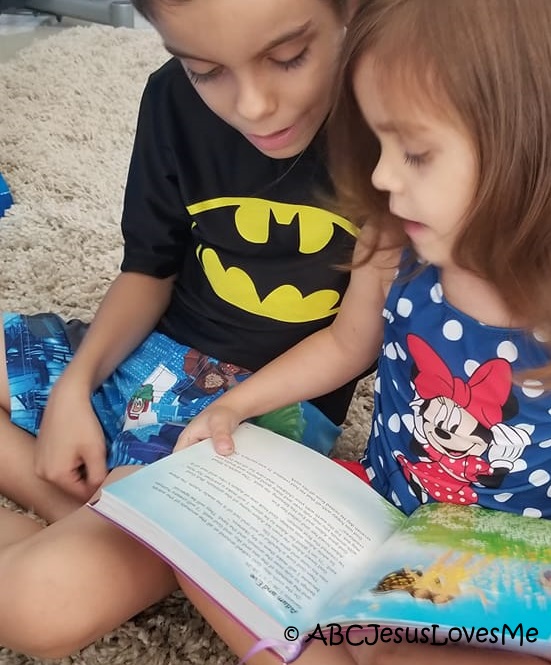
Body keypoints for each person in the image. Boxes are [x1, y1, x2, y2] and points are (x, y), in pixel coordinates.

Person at [177, 0, 551, 663]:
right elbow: (343, 345)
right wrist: (236, 403)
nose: (380, 175)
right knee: (205, 556)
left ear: (527, 148)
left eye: (413, 151)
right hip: (381, 523)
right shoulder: (392, 247)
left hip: (509, 582)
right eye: (379, 145)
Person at [0, 0, 366, 657]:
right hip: (147, 353)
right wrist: (73, 390)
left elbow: (357, 340)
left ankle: (123, 528)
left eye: (287, 58)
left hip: (253, 427)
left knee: (33, 608)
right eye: (204, 69)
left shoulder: (394, 131)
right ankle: (95, 515)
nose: (254, 104)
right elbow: (148, 267)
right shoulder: (170, 103)